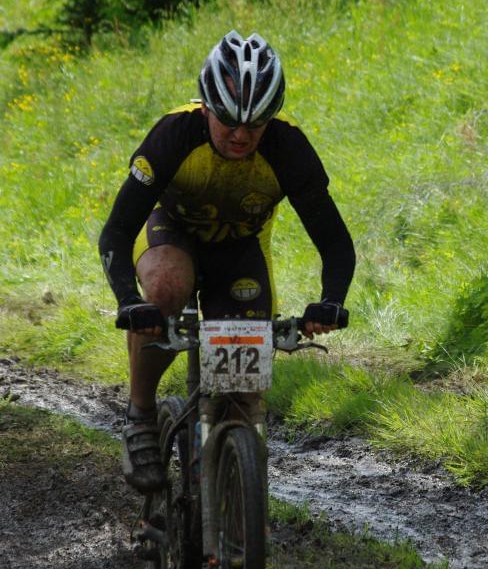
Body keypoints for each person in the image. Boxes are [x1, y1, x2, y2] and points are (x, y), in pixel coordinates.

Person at [99, 29, 355, 494]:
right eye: (229, 121)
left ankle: (236, 511)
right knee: (165, 289)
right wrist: (129, 300)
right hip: (171, 232)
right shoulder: (174, 136)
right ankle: (140, 414)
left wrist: (330, 301)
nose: (241, 135)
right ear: (207, 108)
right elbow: (116, 231)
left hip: (239, 248)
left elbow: (335, 242)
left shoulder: (288, 148)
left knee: (241, 396)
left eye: (255, 124)